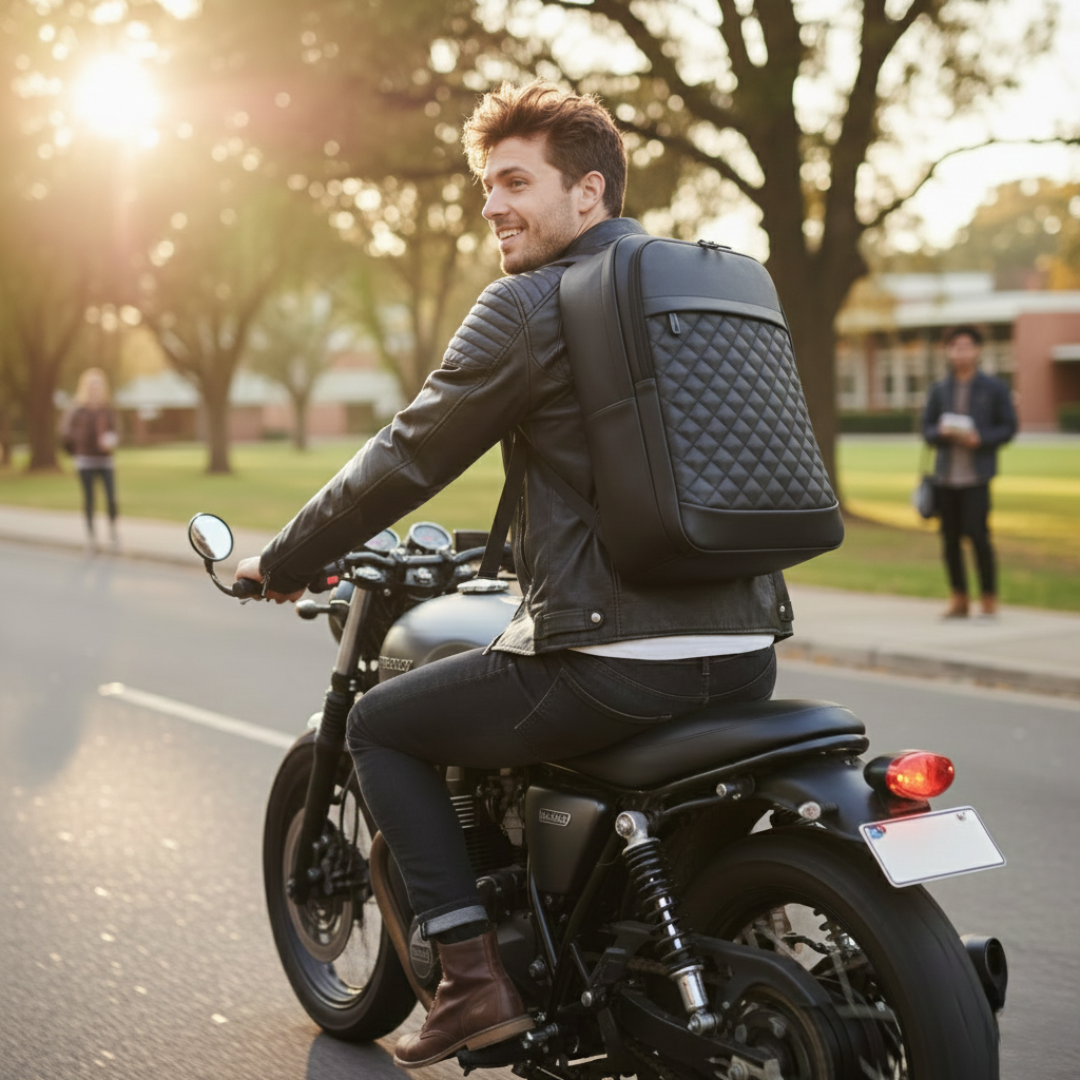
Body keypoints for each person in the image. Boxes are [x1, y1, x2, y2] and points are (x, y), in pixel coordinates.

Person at [235, 82, 793, 1068]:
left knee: (379, 724)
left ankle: (474, 981)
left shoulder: (533, 305)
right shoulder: (696, 294)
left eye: (515, 182)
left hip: (615, 661)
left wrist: (284, 559)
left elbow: (407, 455)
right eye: (486, 185)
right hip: (749, 649)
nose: (493, 204)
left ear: (590, 193)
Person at [921, 325, 1017, 619]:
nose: (960, 352)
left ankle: (988, 597)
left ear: (977, 350)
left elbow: (1009, 427)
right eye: (955, 347)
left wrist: (981, 439)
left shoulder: (994, 388)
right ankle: (959, 598)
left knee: (978, 537)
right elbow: (926, 430)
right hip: (945, 477)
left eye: (966, 346)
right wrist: (941, 432)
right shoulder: (939, 390)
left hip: (976, 477)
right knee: (949, 541)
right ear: (948, 351)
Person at [59, 367, 121, 554]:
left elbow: (117, 430)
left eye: (98, 385)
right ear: (85, 387)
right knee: (89, 499)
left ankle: (113, 533)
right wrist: (77, 450)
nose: (95, 389)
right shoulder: (77, 409)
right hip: (85, 460)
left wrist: (112, 440)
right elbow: (65, 433)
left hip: (105, 460)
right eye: (92, 385)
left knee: (111, 497)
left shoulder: (107, 409)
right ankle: (91, 538)